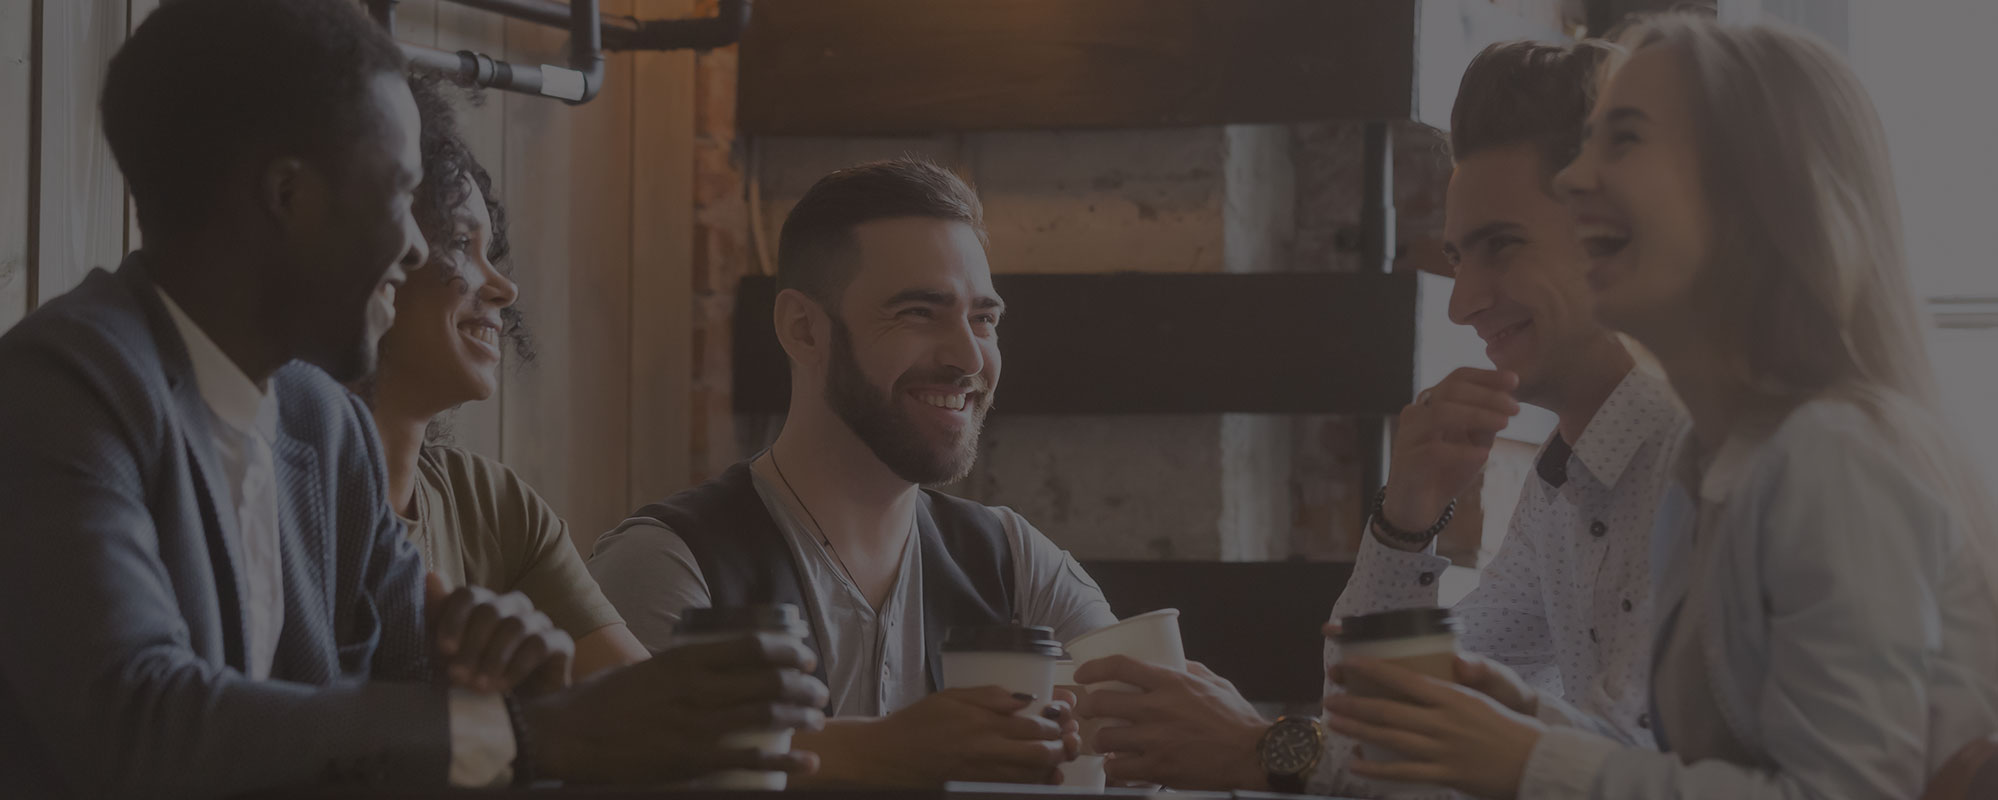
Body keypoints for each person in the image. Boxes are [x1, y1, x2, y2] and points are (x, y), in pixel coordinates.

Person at [0, 1, 825, 796]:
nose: (412, 248)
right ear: (287, 196)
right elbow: (138, 723)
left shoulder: (323, 425)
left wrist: (508, 678)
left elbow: (407, 700)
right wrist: (533, 735)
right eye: (399, 196)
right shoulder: (61, 390)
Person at [1322, 14, 1998, 799]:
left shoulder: (1830, 457)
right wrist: (1529, 725)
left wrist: (1528, 755)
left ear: (1745, 198)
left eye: (1624, 142)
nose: (1580, 181)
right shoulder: (1710, 468)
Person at [1067, 39, 1688, 797]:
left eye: (1502, 245)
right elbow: (1371, 716)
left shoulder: (1701, 464)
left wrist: (1265, 749)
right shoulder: (1565, 480)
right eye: (1457, 258)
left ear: (1616, 230)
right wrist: (1406, 517)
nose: (1463, 304)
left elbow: (1634, 770)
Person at [590, 158, 1116, 787]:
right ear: (803, 330)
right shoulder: (668, 565)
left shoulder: (1018, 564)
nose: (969, 357)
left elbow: (1148, 752)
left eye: (984, 319)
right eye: (918, 312)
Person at [361, 74, 647, 681]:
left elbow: (648, 705)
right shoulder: (283, 497)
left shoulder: (494, 507)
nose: (504, 287)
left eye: (490, 251)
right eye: (460, 243)